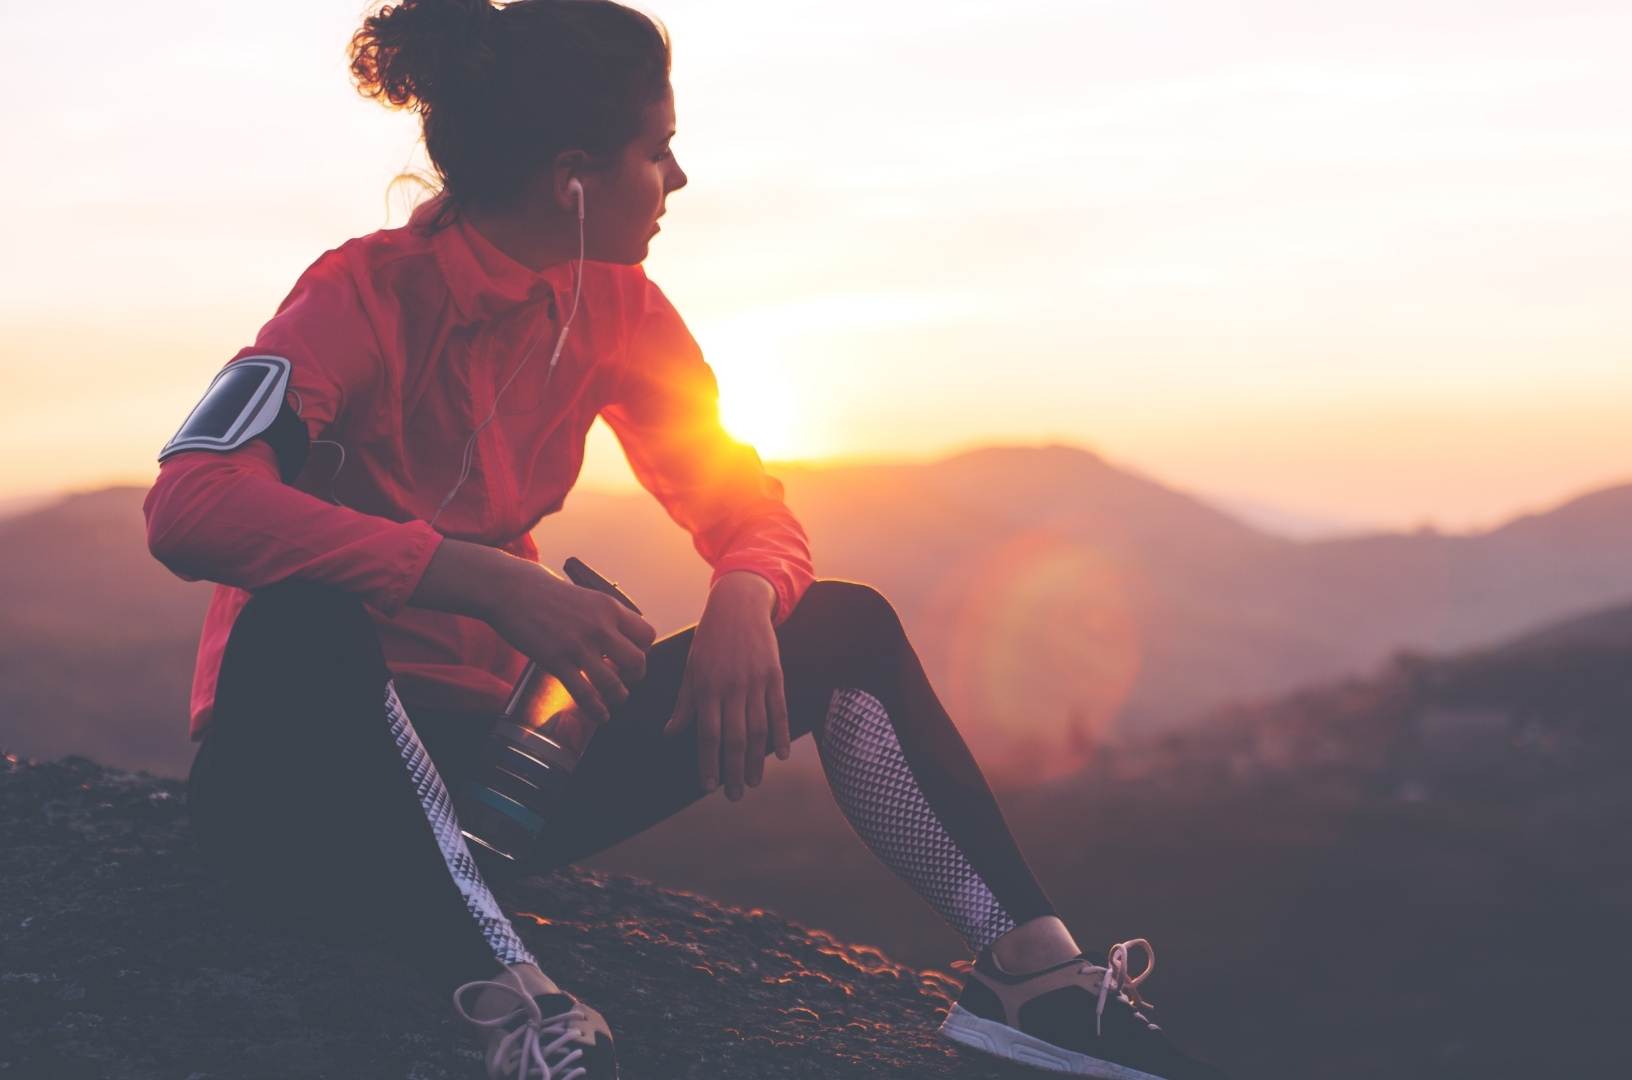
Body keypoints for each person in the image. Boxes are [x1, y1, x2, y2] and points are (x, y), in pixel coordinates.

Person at [141, 2, 1227, 1078]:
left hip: (496, 792)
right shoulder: (358, 297)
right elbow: (190, 503)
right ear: (574, 175)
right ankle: (517, 1010)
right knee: (304, 619)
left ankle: (1032, 981)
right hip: (306, 794)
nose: (680, 179)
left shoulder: (618, 307)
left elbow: (742, 500)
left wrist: (749, 592)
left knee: (844, 624)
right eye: (658, 152)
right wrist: (475, 581)